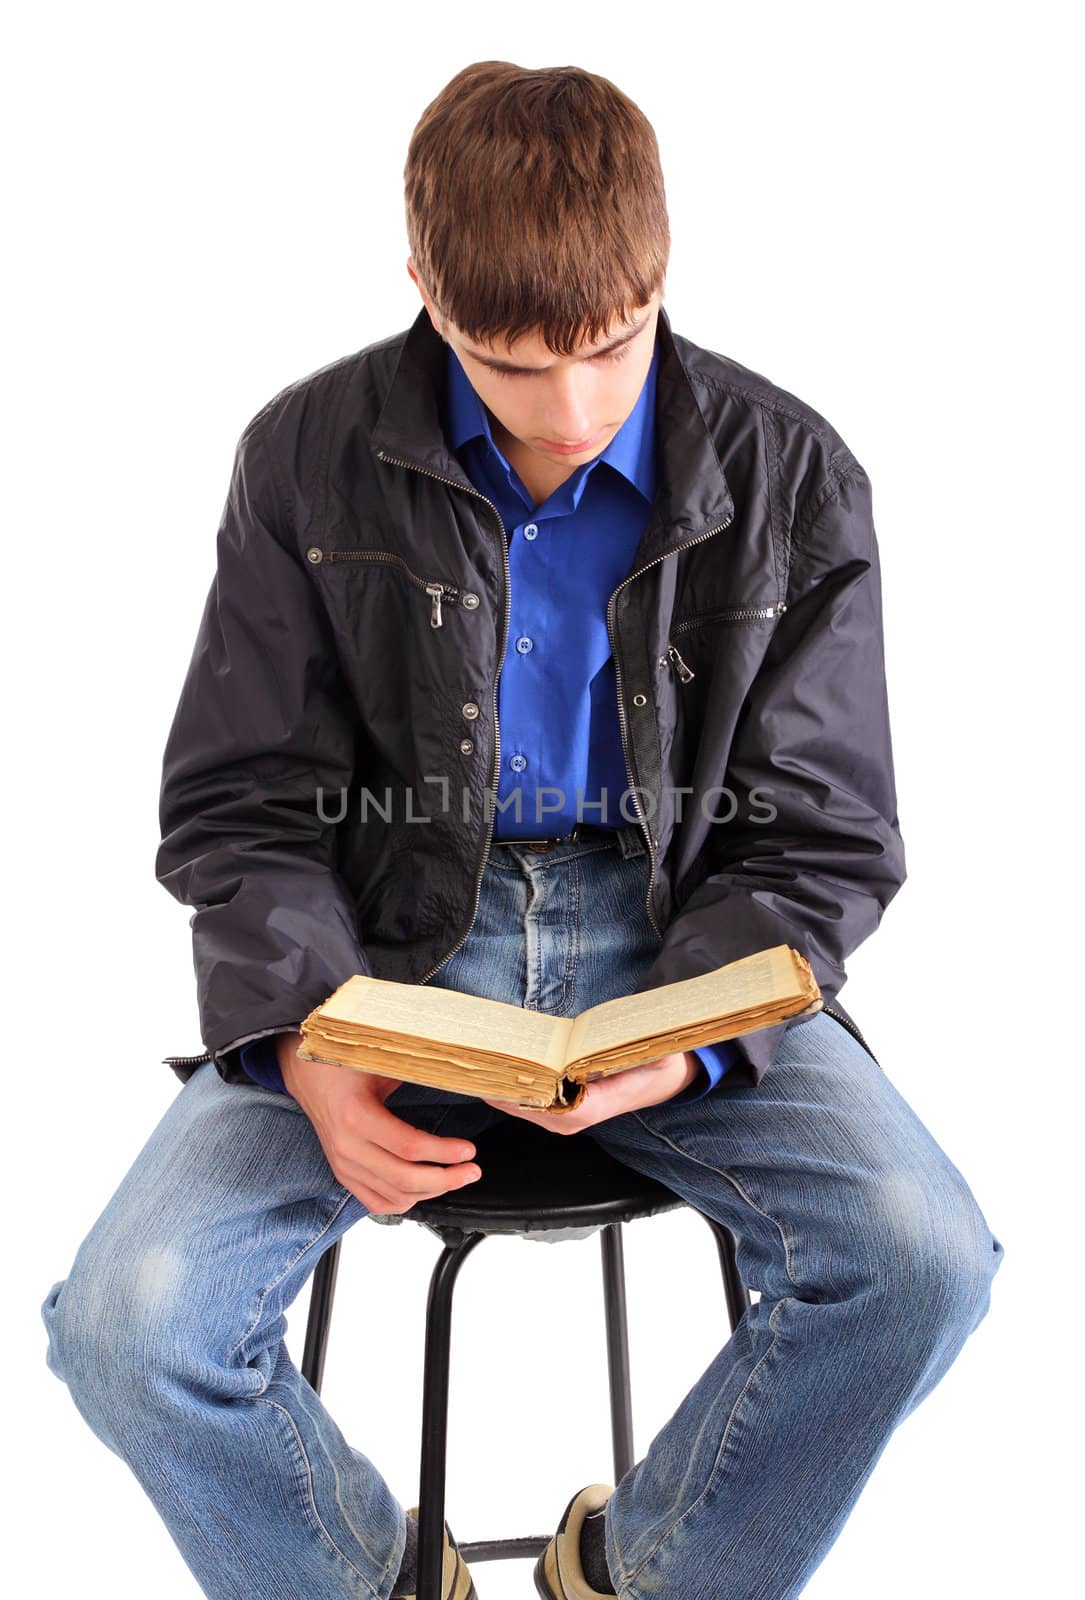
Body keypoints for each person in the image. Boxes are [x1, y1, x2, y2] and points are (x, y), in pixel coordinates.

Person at [40, 58, 1004, 1600]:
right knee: (126, 1325)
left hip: (683, 941)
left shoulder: (791, 471)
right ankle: (378, 1584)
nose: (568, 411)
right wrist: (302, 1039)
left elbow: (823, 831)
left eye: (610, 348)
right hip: (385, 951)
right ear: (422, 285)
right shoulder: (303, 453)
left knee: (924, 1264)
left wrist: (691, 1042)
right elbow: (241, 800)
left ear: (660, 265)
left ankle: (631, 1574)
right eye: (503, 363)